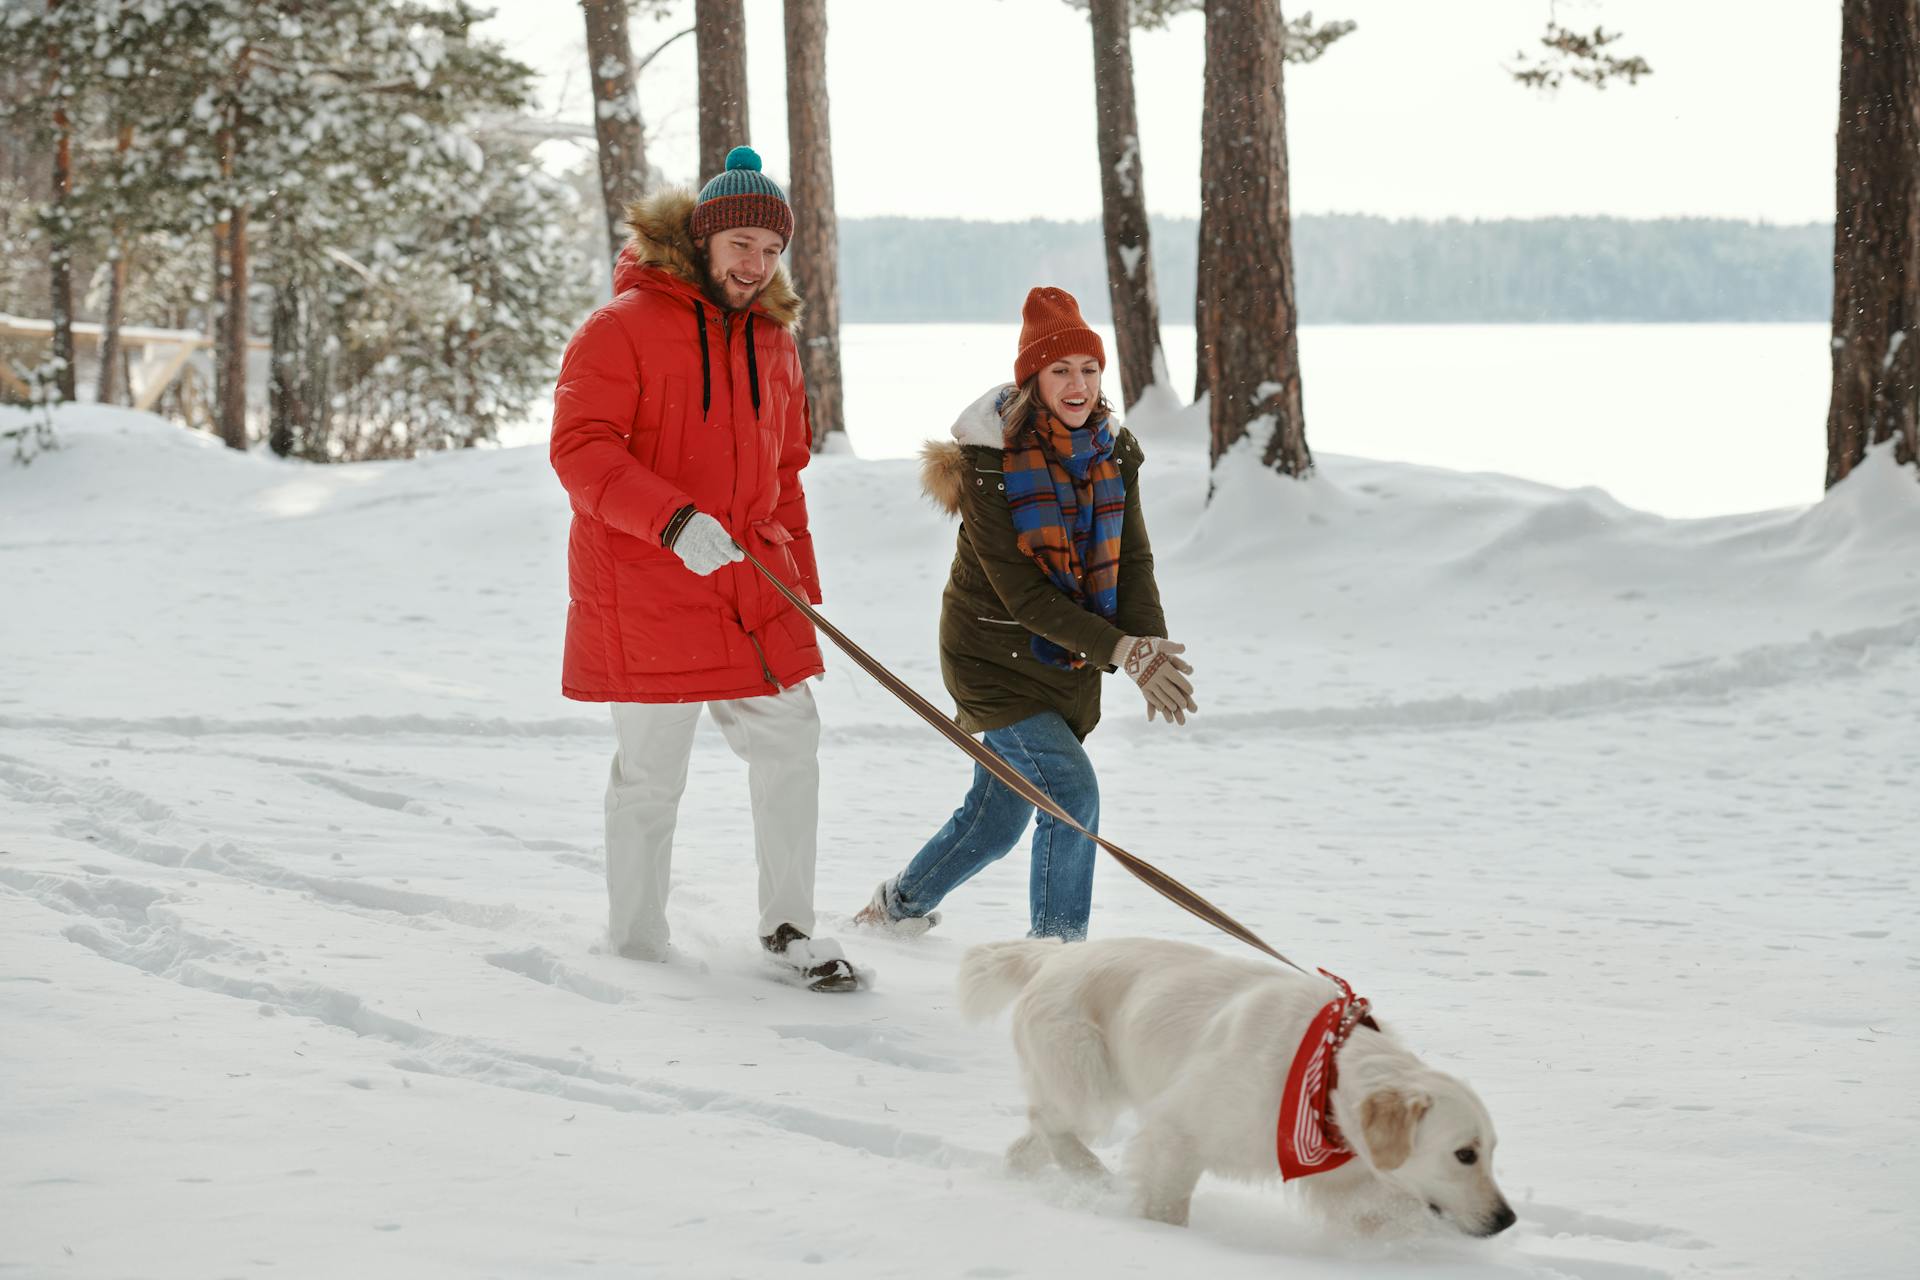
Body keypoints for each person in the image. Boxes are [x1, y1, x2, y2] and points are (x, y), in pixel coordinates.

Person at [549, 146, 856, 992]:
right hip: (645, 582)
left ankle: (791, 926)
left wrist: (799, 589)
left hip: (749, 584)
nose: (755, 266)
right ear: (703, 238)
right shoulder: (619, 329)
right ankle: (638, 942)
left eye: (770, 249)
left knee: (792, 743)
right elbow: (580, 451)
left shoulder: (775, 343)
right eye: (741, 245)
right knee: (651, 773)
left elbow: (785, 470)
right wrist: (674, 521)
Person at [853, 287, 1198, 941]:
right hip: (991, 656)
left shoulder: (1112, 454)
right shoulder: (993, 463)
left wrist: (1149, 643)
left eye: (1089, 370)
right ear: (1034, 380)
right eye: (1061, 370)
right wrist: (1122, 651)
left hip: (1066, 658)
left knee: (997, 816)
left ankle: (892, 911)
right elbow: (1024, 596)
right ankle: (1057, 962)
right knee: (1070, 793)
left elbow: (1134, 562)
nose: (1078, 385)